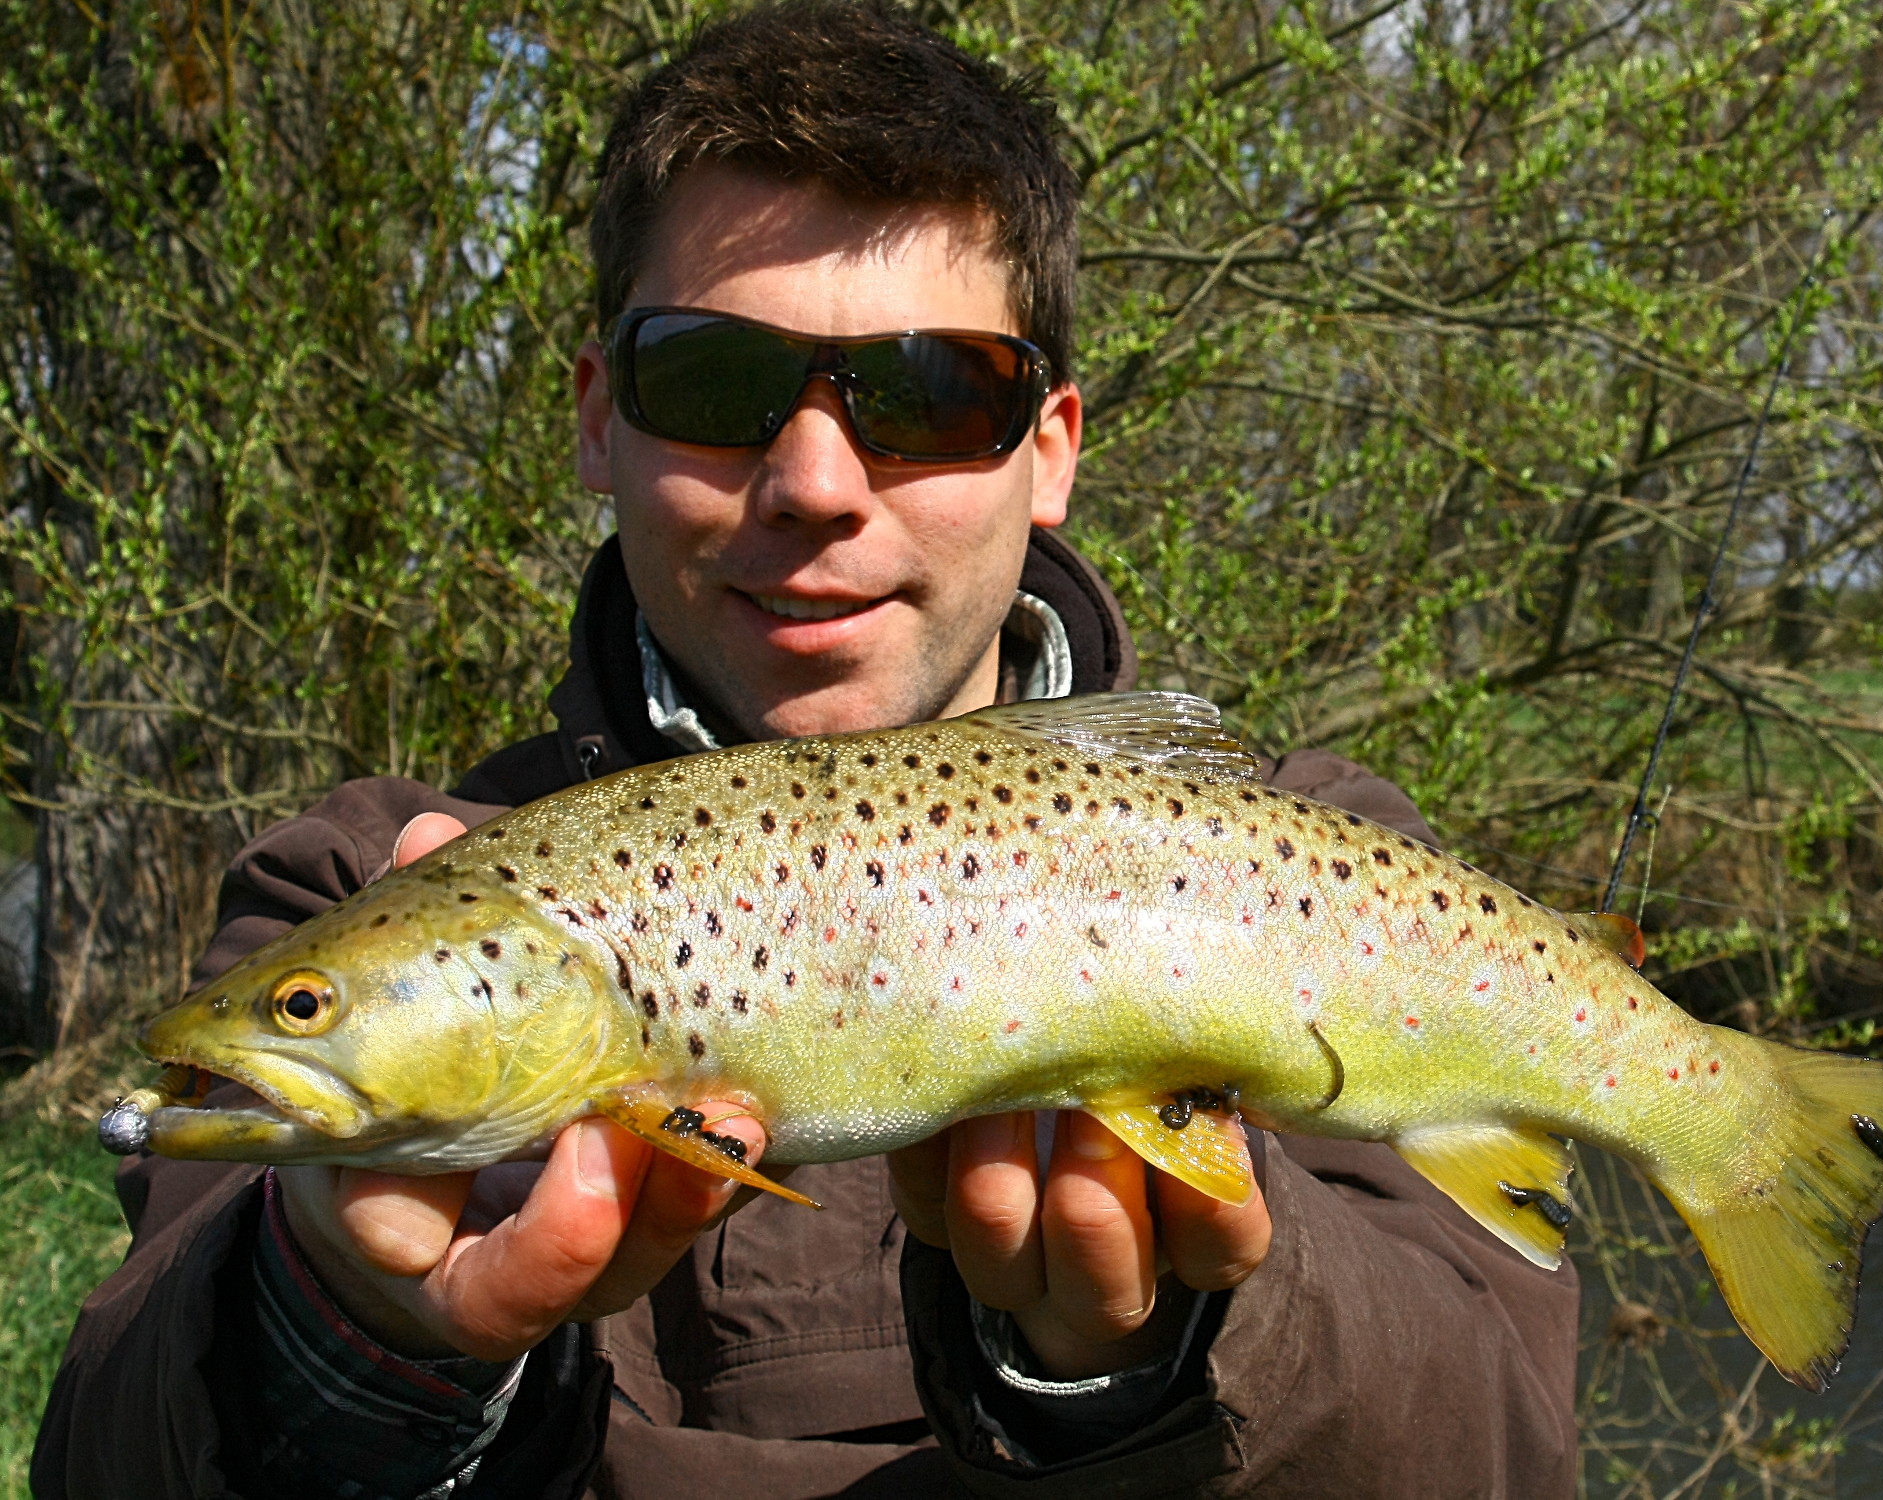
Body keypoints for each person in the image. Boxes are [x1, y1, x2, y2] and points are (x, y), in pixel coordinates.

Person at [34, 4, 1579, 1495]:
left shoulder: (1343, 861)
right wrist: (342, 1343)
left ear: (1050, 449)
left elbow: (1512, 1461)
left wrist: (1163, 1362)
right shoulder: (353, 877)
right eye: (713, 381)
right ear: (595, 418)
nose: (816, 482)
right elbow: (103, 1459)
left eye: (929, 393)